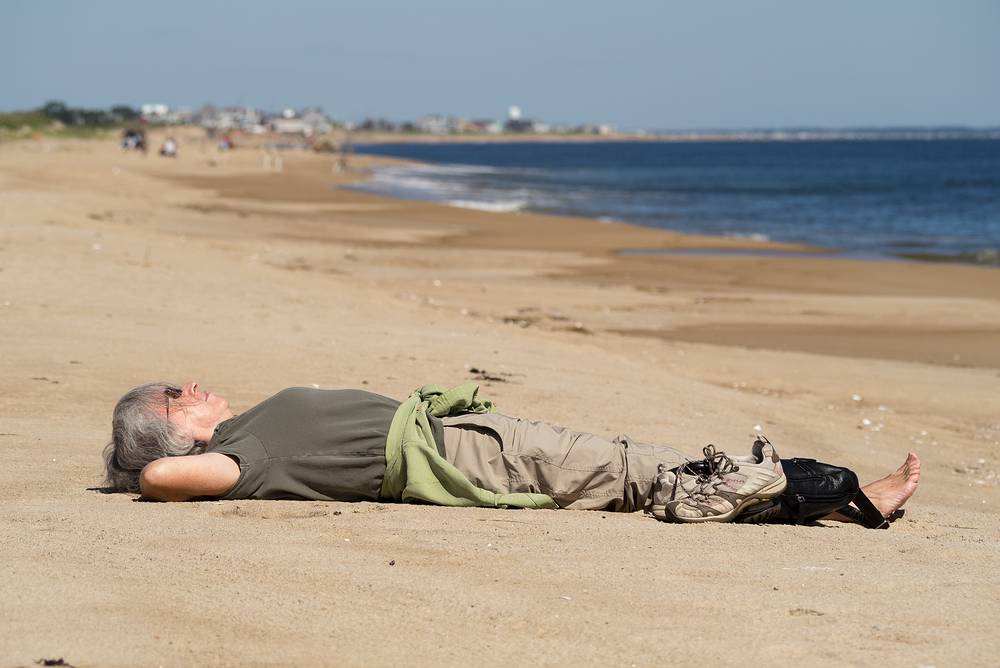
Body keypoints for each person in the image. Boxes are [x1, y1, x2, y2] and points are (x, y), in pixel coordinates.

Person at [103, 381, 920, 524]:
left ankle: (816, 492)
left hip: (462, 438)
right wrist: (151, 462)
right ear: (177, 428)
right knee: (637, 474)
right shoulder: (232, 465)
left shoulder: (244, 443)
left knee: (629, 460)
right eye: (179, 395)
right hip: (467, 459)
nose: (197, 386)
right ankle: (843, 497)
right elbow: (164, 477)